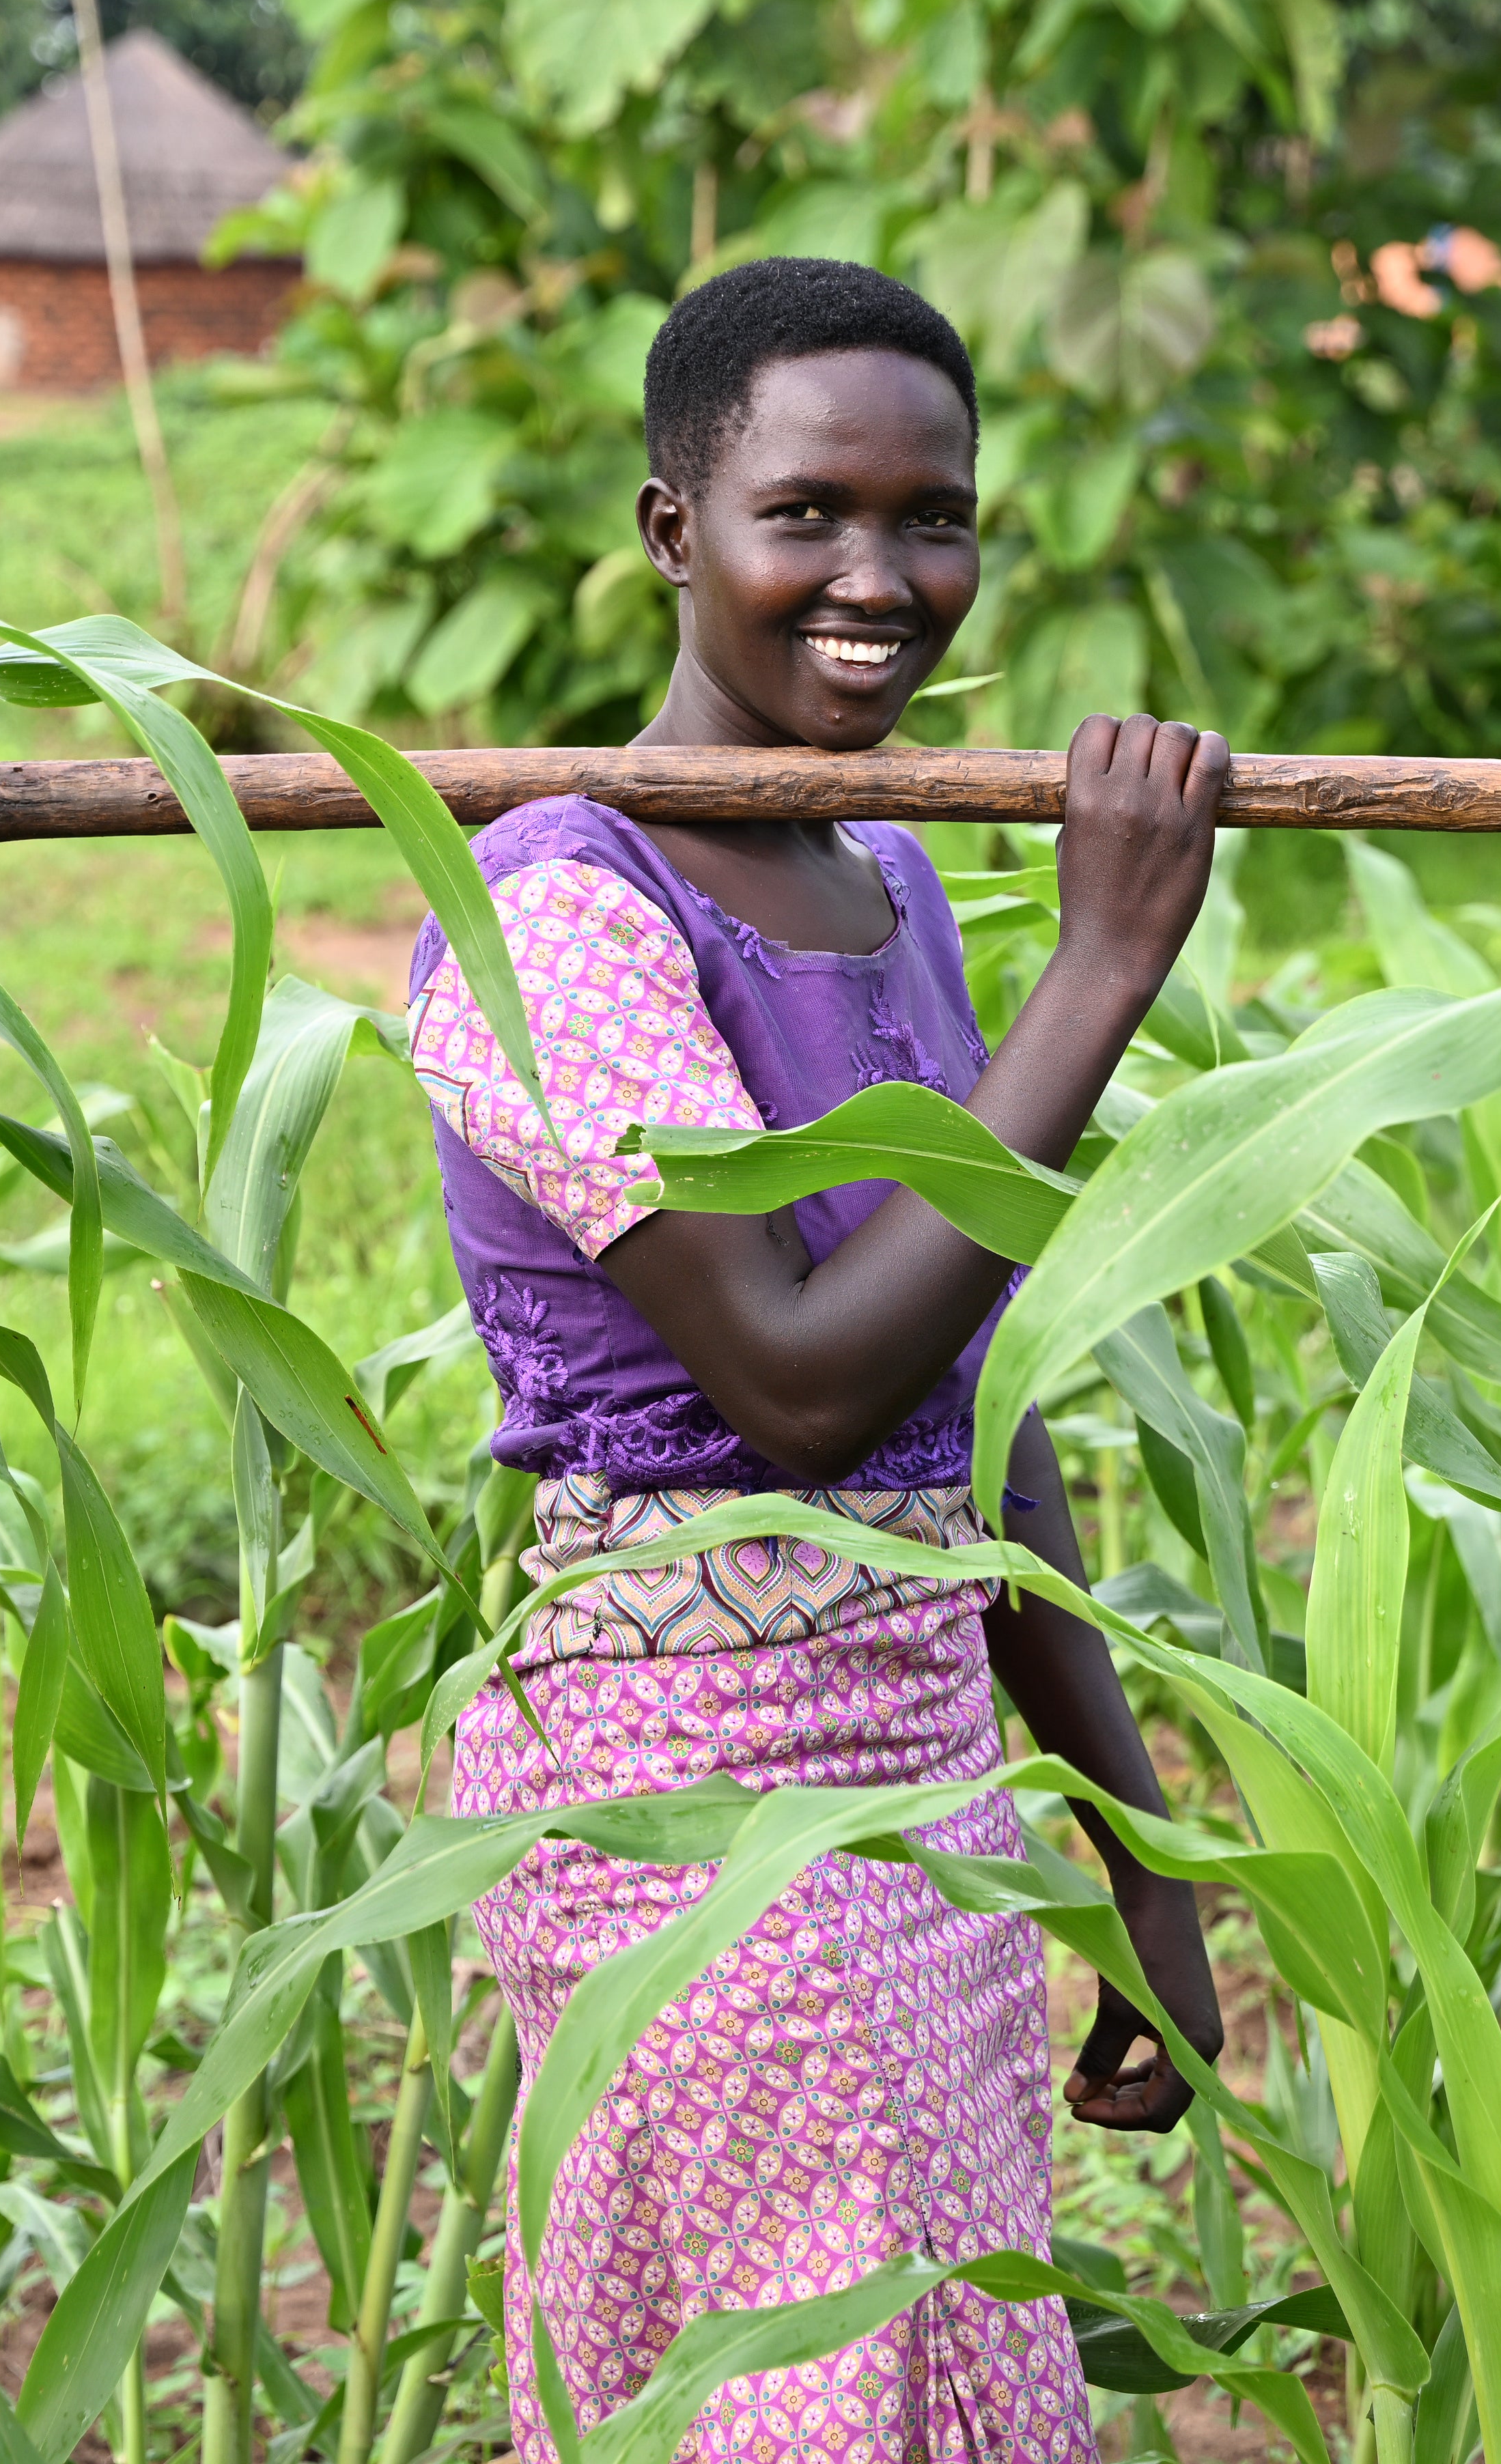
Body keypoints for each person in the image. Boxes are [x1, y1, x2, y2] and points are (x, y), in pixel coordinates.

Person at [406, 256, 1229, 2462]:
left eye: (932, 516)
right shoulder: (553, 911)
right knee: (803, 2400)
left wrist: (1135, 1856)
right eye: (809, 513)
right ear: (676, 526)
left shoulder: (882, 873)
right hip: (689, 1789)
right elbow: (796, 1384)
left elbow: (971, 1396)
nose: (879, 578)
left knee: (941, 2379)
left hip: (926, 1773)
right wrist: (1105, 975)